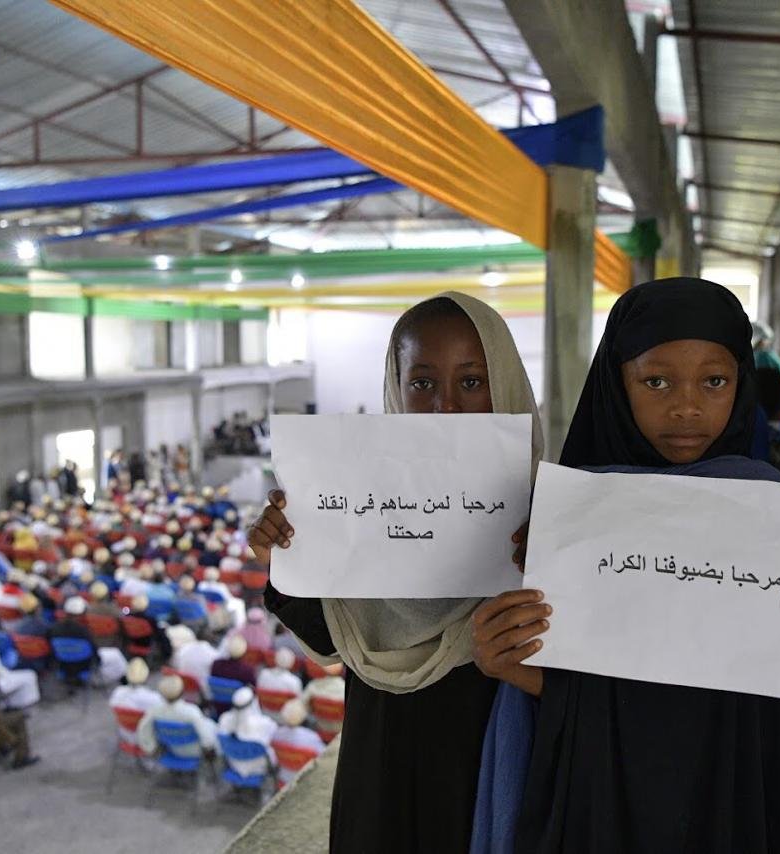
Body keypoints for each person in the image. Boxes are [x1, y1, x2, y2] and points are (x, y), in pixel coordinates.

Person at [470, 278, 780, 853]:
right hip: (598, 791)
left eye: (715, 380)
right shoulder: (567, 519)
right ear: (617, 380)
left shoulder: (778, 513)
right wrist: (506, 661)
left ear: (742, 382)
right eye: (655, 380)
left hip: (733, 790)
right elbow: (573, 683)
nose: (686, 406)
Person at [252, 292, 540, 852]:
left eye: (473, 382)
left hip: (489, 756)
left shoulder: (547, 512)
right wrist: (286, 558)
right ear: (395, 387)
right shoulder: (361, 500)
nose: (446, 408)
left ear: (504, 381)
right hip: (380, 756)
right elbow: (338, 638)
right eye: (423, 383)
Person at [135, 675, 218, 759]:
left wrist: (151, 747)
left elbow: (143, 729)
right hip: (194, 750)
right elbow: (207, 738)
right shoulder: (192, 711)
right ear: (182, 692)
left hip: (170, 749)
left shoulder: (154, 711)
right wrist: (209, 747)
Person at [218, 686, 277, 786]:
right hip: (258, 768)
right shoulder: (265, 723)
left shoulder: (224, 719)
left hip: (234, 764)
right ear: (253, 702)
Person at [47, 596, 100, 686]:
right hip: (84, 666)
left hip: (62, 665)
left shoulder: (54, 629)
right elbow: (95, 653)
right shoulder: (84, 631)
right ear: (81, 613)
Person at [109, 658, 163, 747]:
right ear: (146, 675)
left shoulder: (117, 692)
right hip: (148, 738)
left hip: (125, 734)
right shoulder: (154, 698)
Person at [271, 699, 326, 786]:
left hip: (283, 778)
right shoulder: (311, 737)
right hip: (305, 779)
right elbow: (323, 755)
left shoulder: (276, 734)